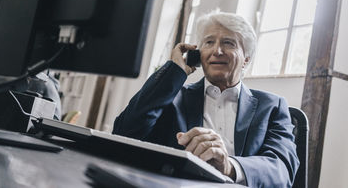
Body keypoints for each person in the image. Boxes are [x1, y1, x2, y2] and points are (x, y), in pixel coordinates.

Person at [113, 11, 299, 187]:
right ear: (198, 55)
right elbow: (124, 134)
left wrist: (229, 167)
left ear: (246, 59)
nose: (217, 51)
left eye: (228, 43)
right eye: (209, 42)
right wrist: (173, 71)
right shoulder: (171, 97)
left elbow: (282, 170)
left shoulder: (272, 106)